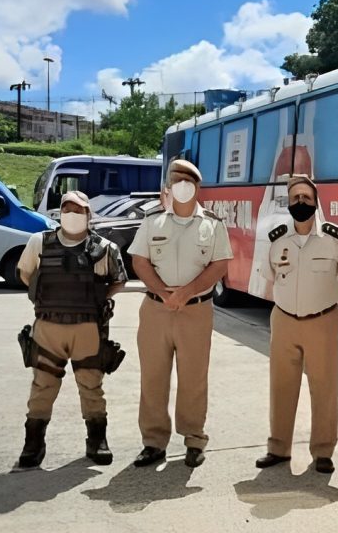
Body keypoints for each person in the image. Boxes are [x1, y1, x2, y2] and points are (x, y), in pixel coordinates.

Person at [128, 159, 233, 468]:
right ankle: (153, 442)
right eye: (176, 181)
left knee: (193, 379)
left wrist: (186, 292)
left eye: (188, 181)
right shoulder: (153, 221)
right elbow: (139, 260)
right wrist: (162, 291)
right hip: (156, 310)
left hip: (195, 311)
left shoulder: (212, 224)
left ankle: (194, 439)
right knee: (153, 378)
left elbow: (220, 264)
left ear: (197, 187)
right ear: (169, 188)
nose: (182, 186)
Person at [255, 175, 338, 474]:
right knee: (281, 387)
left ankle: (323, 452)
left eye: (306, 197)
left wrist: (329, 294)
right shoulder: (276, 239)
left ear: (316, 202)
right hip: (285, 320)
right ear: (288, 203)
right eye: (295, 198)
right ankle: (278, 448)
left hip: (322, 321)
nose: (301, 203)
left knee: (324, 387)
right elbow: (271, 275)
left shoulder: (334, 237)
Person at [16, 190, 127, 469]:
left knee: (91, 386)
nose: (72, 215)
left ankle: (97, 440)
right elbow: (26, 275)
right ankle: (33, 443)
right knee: (42, 386)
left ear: (89, 215)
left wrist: (98, 300)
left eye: (79, 210)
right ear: (59, 213)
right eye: (67, 209)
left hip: (88, 329)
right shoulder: (39, 242)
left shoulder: (105, 248)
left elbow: (118, 281)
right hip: (48, 328)